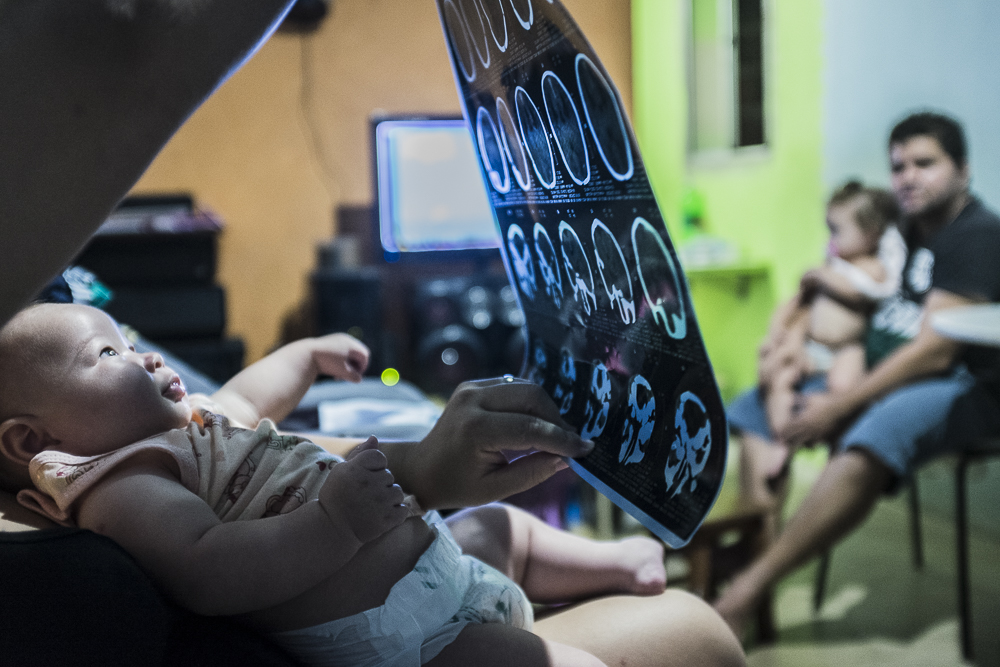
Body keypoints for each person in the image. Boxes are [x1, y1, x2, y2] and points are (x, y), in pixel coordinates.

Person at [0, 302, 744, 667]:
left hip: (430, 564)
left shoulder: (187, 426)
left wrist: (303, 352)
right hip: (414, 641)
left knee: (506, 532)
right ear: (33, 439)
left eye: (131, 341)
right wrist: (334, 522)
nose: (145, 358)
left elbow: (249, 398)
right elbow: (207, 566)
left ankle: (618, 561)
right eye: (108, 354)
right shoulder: (126, 483)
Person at [716, 111, 1000, 635]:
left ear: (963, 168)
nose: (908, 177)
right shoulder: (898, 230)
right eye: (899, 166)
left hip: (962, 385)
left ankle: (746, 590)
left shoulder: (978, 234)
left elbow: (935, 353)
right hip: (874, 370)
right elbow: (828, 287)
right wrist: (794, 341)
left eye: (925, 163)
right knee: (757, 406)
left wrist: (840, 406)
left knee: (874, 435)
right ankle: (761, 551)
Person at [755, 181, 904, 481]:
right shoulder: (833, 265)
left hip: (846, 349)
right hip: (812, 347)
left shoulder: (870, 267)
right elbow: (799, 304)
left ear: (872, 233)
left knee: (845, 387)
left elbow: (864, 291)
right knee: (780, 382)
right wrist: (785, 335)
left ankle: (838, 455)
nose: (831, 239)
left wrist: (823, 275)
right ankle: (782, 440)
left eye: (838, 230)